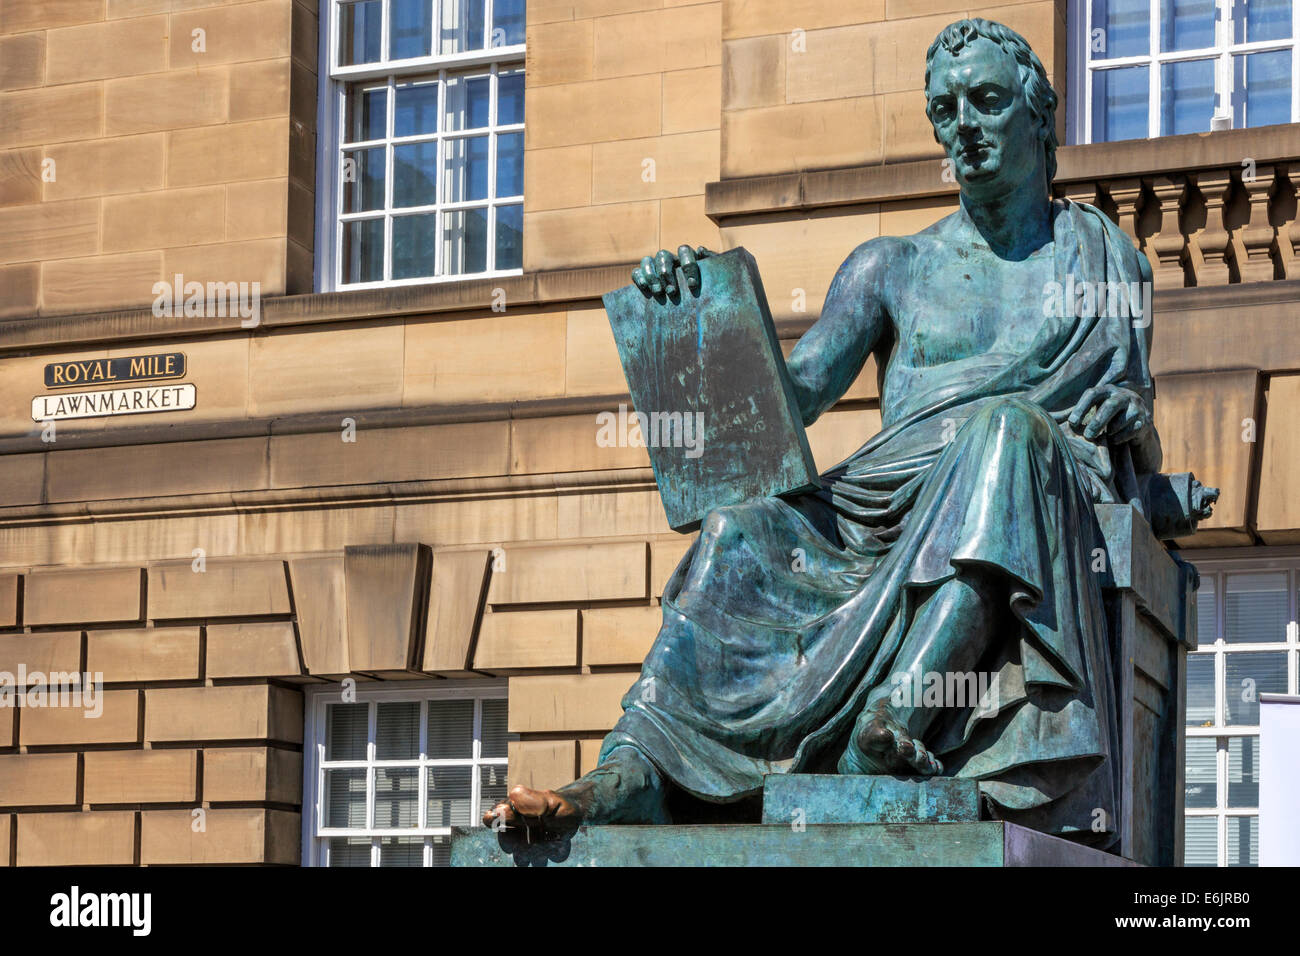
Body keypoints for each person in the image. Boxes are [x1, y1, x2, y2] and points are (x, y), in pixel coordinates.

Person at [487, 17, 1160, 846]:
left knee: (1007, 430)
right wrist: (693, 313)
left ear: (1038, 113)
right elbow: (792, 398)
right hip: (878, 508)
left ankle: (895, 717)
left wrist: (1136, 419)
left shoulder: (1101, 260)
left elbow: (1132, 445)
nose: (966, 129)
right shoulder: (890, 267)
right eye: (946, 112)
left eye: (986, 101)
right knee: (740, 532)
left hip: (1009, 492)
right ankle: (632, 770)